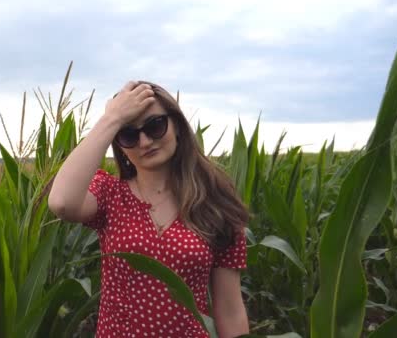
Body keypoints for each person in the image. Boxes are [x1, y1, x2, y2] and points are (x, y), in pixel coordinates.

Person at [48, 80, 250, 337]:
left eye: (155, 126)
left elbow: (230, 310)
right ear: (118, 144)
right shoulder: (110, 194)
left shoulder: (215, 203)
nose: (144, 142)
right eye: (128, 134)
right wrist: (112, 119)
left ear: (177, 125)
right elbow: (61, 202)